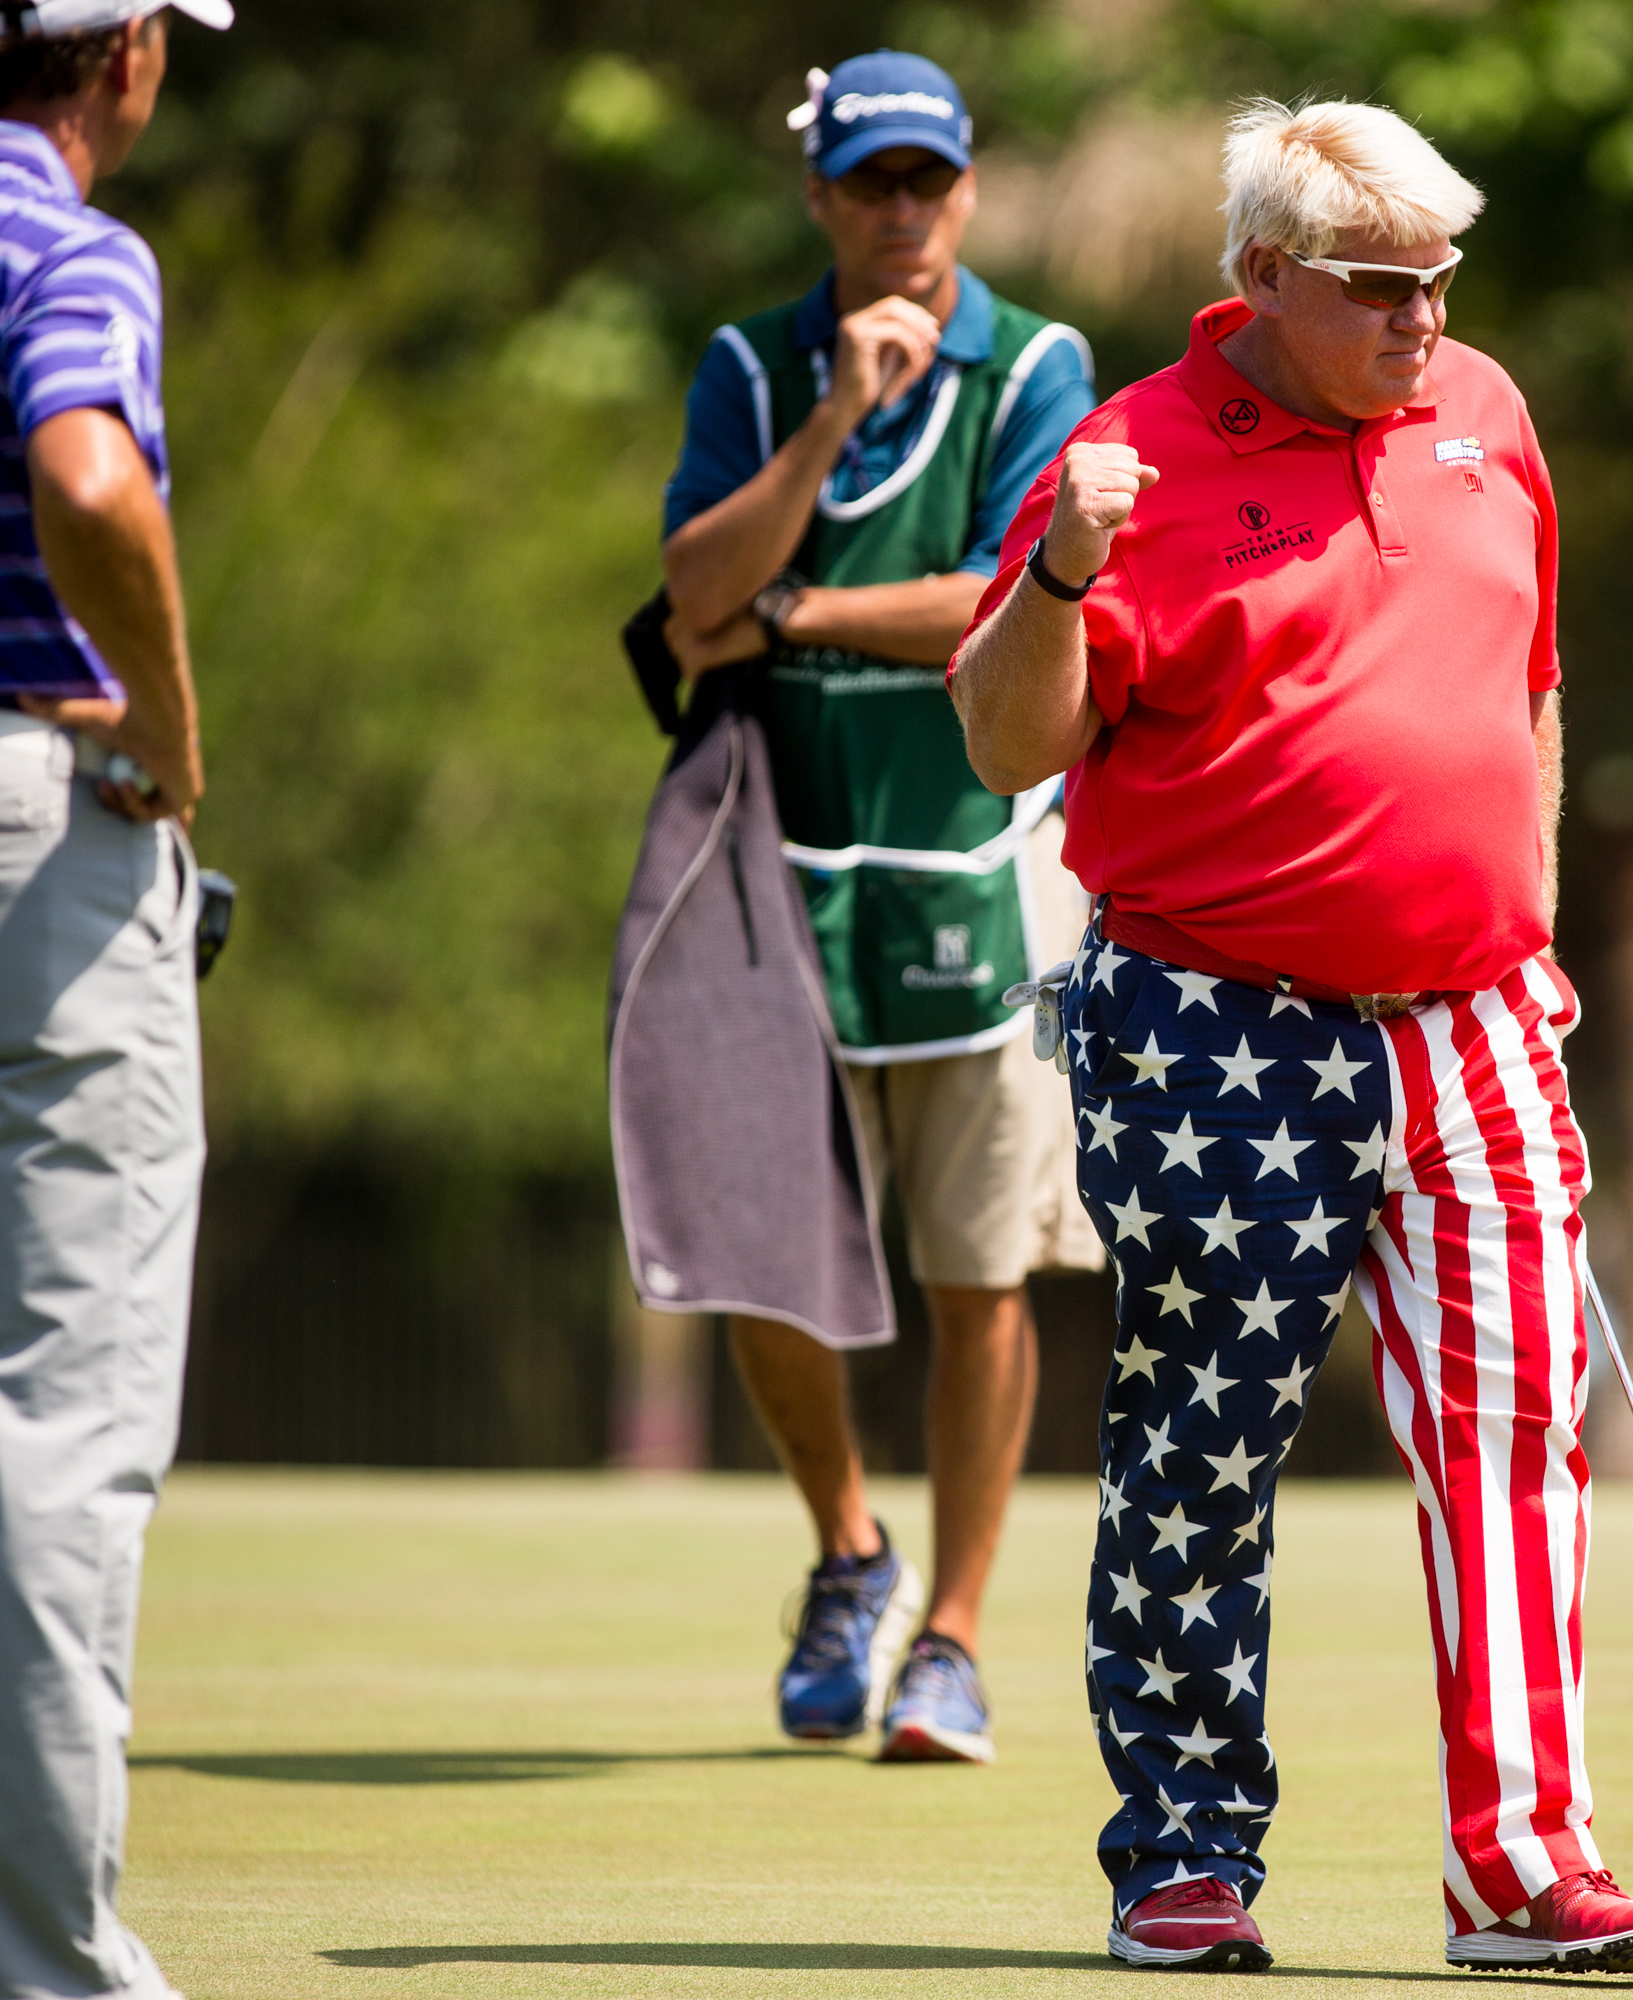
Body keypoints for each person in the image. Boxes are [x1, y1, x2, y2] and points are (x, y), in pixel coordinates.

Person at [953, 99, 1633, 1974]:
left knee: (1518, 1434)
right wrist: (1059, 571)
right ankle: (1187, 1853)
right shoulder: (1126, 458)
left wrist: (1525, 931)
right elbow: (1000, 743)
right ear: (1264, 276)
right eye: (1377, 286)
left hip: (1480, 1024)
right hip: (1218, 1028)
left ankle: (1521, 1868)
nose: (1419, 322)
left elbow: (1528, 689)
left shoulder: (1492, 417)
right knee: (1206, 1443)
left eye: (1441, 284)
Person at [656, 48, 1102, 1765]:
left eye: (931, 183)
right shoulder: (753, 366)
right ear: (822, 196)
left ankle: (957, 1641)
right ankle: (851, 1550)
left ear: (967, 192)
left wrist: (794, 615)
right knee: (768, 1253)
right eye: (873, 184)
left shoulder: (1036, 366)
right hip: (769, 877)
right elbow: (690, 586)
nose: (905, 214)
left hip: (980, 882)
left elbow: (1003, 605)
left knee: (981, 1274)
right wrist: (833, 417)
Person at [0, 3, 228, 1996]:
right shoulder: (74, 249)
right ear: (133, 58)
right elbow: (89, 474)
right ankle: (36, 1968)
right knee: (58, 1442)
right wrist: (172, 732)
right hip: (23, 834)